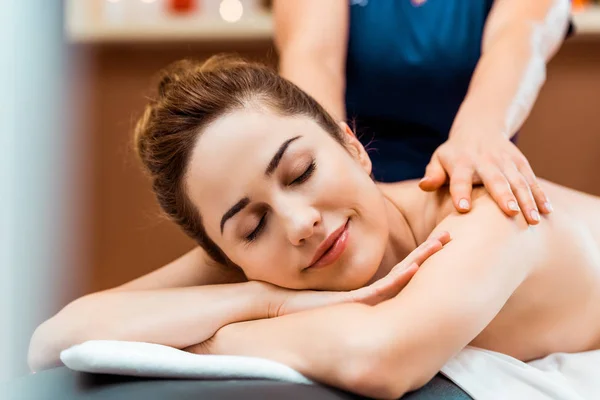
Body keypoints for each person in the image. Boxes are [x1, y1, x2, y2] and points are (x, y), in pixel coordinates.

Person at [28, 58, 600, 399]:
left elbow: (379, 360)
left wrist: (222, 331)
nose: (300, 223)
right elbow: (56, 337)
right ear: (228, 255)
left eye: (301, 172)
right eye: (252, 228)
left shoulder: (488, 213)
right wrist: (258, 297)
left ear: (352, 147)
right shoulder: (267, 264)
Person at [274, 0, 573, 226]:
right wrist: (331, 179)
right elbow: (312, 56)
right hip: (353, 193)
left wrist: (478, 134)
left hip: (462, 186)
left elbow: (520, 41)